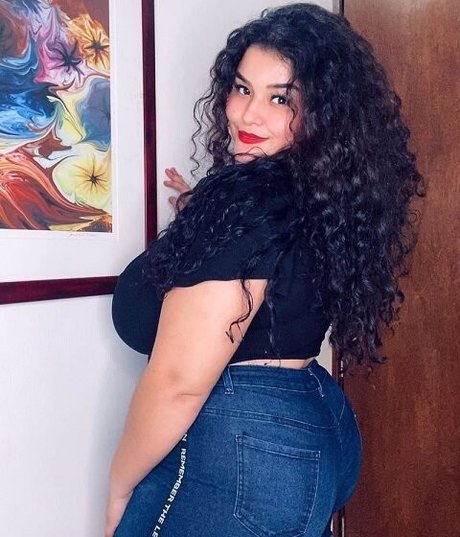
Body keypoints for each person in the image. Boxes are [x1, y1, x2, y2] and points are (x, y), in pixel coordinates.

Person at [105, 4, 423, 536]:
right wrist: (201, 212)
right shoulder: (321, 195)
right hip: (314, 420)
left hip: (248, 446)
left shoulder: (250, 201)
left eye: (281, 98)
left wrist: (119, 486)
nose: (248, 115)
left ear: (324, 112)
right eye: (242, 88)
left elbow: (179, 384)